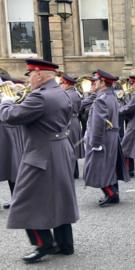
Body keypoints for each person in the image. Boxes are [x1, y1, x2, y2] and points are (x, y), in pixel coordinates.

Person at [0, 59, 79, 263]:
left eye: (31, 75)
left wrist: (6, 100)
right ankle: (65, 244)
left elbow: (11, 117)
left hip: (41, 153)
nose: (29, 79)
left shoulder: (40, 97)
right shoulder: (60, 91)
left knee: (25, 200)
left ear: (41, 75)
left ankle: (43, 243)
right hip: (60, 148)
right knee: (58, 198)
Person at [83, 69, 128, 206]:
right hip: (111, 136)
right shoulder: (110, 96)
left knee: (98, 168)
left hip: (102, 139)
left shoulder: (100, 100)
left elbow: (98, 124)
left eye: (95, 81)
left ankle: (111, 194)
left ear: (102, 82)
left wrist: (94, 143)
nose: (93, 84)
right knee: (110, 167)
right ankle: (114, 193)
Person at [0, 77, 24, 209]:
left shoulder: (11, 93)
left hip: (8, 134)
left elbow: (11, 114)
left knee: (13, 168)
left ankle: (17, 199)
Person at [60, 74, 85, 179]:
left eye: (61, 83)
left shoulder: (66, 95)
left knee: (69, 147)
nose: (60, 85)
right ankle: (74, 173)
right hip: (75, 120)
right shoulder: (75, 93)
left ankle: (71, 173)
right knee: (73, 147)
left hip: (69, 121)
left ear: (66, 83)